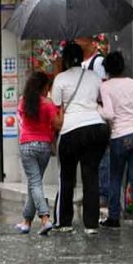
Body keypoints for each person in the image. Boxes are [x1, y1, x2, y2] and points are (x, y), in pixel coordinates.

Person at [51, 43, 110, 234]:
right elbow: (101, 99)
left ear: (66, 59)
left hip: (71, 130)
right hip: (97, 128)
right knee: (90, 174)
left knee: (67, 176)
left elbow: (56, 107)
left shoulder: (60, 79)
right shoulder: (94, 77)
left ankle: (65, 222)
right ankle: (91, 224)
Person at [98, 51, 133, 233]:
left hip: (120, 136)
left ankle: (114, 217)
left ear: (107, 69)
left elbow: (110, 114)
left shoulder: (106, 87)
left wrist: (97, 107)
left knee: (115, 178)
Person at [14, 71, 59, 235]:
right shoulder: (48, 103)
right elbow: (56, 124)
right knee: (35, 183)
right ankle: (26, 221)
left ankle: (45, 218)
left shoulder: (23, 101)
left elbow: (20, 120)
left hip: (27, 145)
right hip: (44, 146)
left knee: (34, 183)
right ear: (44, 87)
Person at [76, 36, 110, 205]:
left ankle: (103, 193)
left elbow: (103, 90)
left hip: (97, 116)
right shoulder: (79, 64)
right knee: (87, 159)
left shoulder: (98, 62)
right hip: (83, 118)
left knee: (101, 158)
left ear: (90, 41)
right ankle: (90, 193)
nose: (77, 42)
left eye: (80, 39)